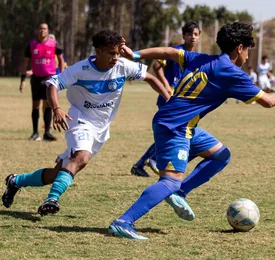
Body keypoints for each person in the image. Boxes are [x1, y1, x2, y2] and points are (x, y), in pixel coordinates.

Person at [108, 22, 275, 240]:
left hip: (182, 125)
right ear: (240, 48)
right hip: (175, 126)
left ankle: (180, 192)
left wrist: (136, 53)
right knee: (169, 180)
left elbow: (169, 52)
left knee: (220, 155)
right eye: (248, 49)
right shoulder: (232, 73)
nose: (248, 55)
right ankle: (124, 221)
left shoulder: (203, 58)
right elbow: (269, 101)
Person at [2, 29, 170, 216]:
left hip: (101, 128)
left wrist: (168, 99)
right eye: (111, 53)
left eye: (117, 53)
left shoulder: (123, 66)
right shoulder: (81, 69)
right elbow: (52, 84)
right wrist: (57, 108)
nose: (116, 57)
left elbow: (150, 78)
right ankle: (52, 199)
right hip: (79, 120)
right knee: (82, 158)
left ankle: (16, 181)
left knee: (56, 173)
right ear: (98, 51)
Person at [130, 21, 201, 177]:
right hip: (168, 98)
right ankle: (151, 160)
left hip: (180, 101)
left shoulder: (194, 57)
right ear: (184, 36)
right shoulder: (176, 51)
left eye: (195, 34)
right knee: (171, 132)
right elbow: (157, 66)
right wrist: (166, 85)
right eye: (189, 34)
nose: (192, 37)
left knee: (171, 132)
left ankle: (141, 164)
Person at [19, 23, 65, 141]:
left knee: (47, 105)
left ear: (48, 31)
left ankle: (47, 133)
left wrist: (61, 77)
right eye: (40, 29)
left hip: (49, 78)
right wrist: (23, 79)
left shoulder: (53, 44)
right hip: (36, 78)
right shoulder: (31, 45)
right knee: (35, 105)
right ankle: (35, 133)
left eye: (44, 29)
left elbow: (61, 60)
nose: (42, 31)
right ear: (37, 30)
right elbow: (25, 62)